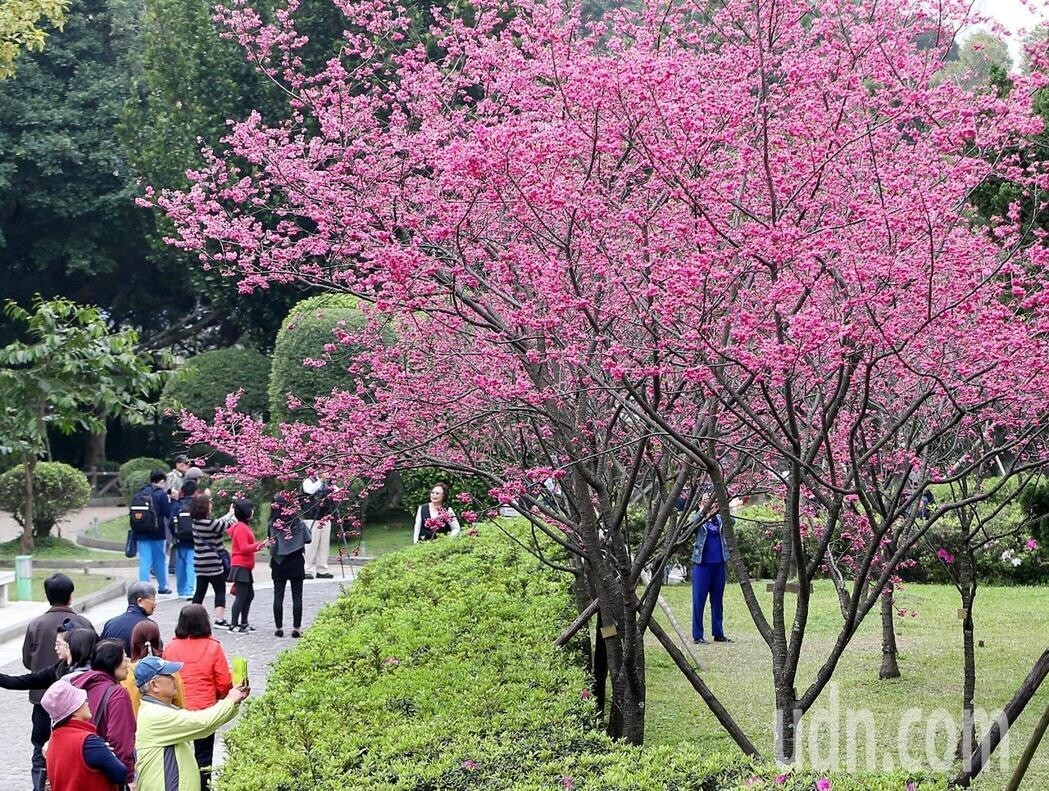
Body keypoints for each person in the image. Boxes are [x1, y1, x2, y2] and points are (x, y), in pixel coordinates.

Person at [21, 573, 93, 791]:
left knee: (39, 748)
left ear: (47, 595)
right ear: (71, 596)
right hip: (78, 702)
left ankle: (39, 786)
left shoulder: (36, 624)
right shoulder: (83, 623)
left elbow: (27, 660)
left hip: (42, 700)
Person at [135, 655, 248, 791]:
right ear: (154, 685)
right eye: (168, 675)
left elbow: (205, 729)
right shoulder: (155, 715)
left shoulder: (158, 710)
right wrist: (230, 700)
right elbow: (203, 722)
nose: (174, 678)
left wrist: (235, 702)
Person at [163, 604, 233, 789]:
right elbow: (224, 681)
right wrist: (219, 697)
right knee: (204, 758)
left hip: (177, 709)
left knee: (177, 755)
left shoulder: (170, 648)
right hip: (205, 709)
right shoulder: (213, 647)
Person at [70, 640, 136, 789]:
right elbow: (120, 741)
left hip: (78, 769)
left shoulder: (79, 684)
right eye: (124, 658)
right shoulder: (117, 693)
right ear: (113, 662)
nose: (128, 663)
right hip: (105, 774)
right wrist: (128, 778)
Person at [40, 679, 128, 791]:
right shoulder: (88, 742)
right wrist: (109, 753)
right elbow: (120, 774)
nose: (87, 702)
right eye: (82, 700)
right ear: (74, 709)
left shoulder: (53, 739)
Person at [690, 491, 732, 645]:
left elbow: (732, 521)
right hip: (702, 565)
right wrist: (702, 511)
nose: (711, 503)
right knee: (698, 600)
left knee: (717, 600)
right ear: (701, 502)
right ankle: (697, 635)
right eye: (707, 500)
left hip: (719, 564)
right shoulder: (699, 519)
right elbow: (690, 525)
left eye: (713, 500)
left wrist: (721, 508)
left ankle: (718, 633)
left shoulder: (720, 519)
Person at [269, 493, 311, 637]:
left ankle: (279, 627)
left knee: (278, 595)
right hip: (296, 562)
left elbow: (273, 547)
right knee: (297, 596)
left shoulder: (273, 524)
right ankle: (296, 628)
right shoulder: (298, 522)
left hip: (279, 563)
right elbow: (308, 538)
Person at [122, 619, 186, 716]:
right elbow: (181, 707)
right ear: (158, 641)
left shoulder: (124, 675)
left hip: (134, 728)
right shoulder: (170, 673)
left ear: (133, 642)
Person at [191, 494, 236, 626]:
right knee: (220, 591)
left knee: (199, 592)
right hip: (214, 565)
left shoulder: (196, 523)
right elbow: (227, 525)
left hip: (200, 565)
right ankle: (219, 619)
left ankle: (192, 618)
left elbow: (218, 523)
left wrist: (229, 513)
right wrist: (234, 515)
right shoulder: (211, 524)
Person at [227, 499, 270, 633]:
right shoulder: (240, 527)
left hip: (244, 566)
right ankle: (234, 624)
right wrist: (261, 545)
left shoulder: (243, 526)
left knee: (248, 595)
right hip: (240, 565)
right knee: (242, 595)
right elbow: (244, 548)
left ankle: (244, 623)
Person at [138, 470, 174, 594]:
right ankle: (163, 586)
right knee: (160, 559)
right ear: (162, 481)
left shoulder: (141, 492)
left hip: (141, 532)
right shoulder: (161, 494)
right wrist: (171, 499)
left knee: (144, 560)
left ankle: (143, 589)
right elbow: (168, 513)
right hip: (157, 532)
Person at [101, 581, 157, 654]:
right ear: (140, 601)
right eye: (153, 599)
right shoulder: (149, 626)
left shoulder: (110, 623)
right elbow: (157, 657)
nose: (155, 603)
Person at [299, 473, 335, 579]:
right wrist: (321, 481)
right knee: (311, 544)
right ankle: (307, 569)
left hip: (325, 516)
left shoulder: (329, 482)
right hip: (311, 517)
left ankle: (322, 569)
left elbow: (338, 492)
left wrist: (332, 484)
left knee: (324, 545)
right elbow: (310, 490)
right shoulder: (308, 481)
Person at [173, 479, 200, 598]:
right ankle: (190, 590)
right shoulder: (197, 505)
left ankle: (180, 590)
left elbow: (171, 522)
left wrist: (175, 535)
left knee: (180, 565)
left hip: (180, 540)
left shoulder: (177, 505)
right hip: (194, 540)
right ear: (196, 492)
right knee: (191, 564)